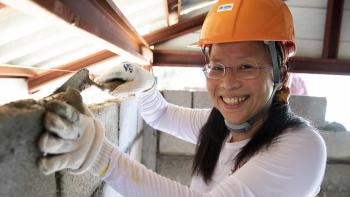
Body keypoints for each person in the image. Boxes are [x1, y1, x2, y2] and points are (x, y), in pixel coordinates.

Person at [37, 0, 327, 196]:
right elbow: (159, 116)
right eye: (216, 67)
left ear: (279, 71)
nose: (228, 83)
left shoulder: (302, 147)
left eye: (246, 66)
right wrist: (146, 86)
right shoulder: (219, 126)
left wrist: (102, 157)